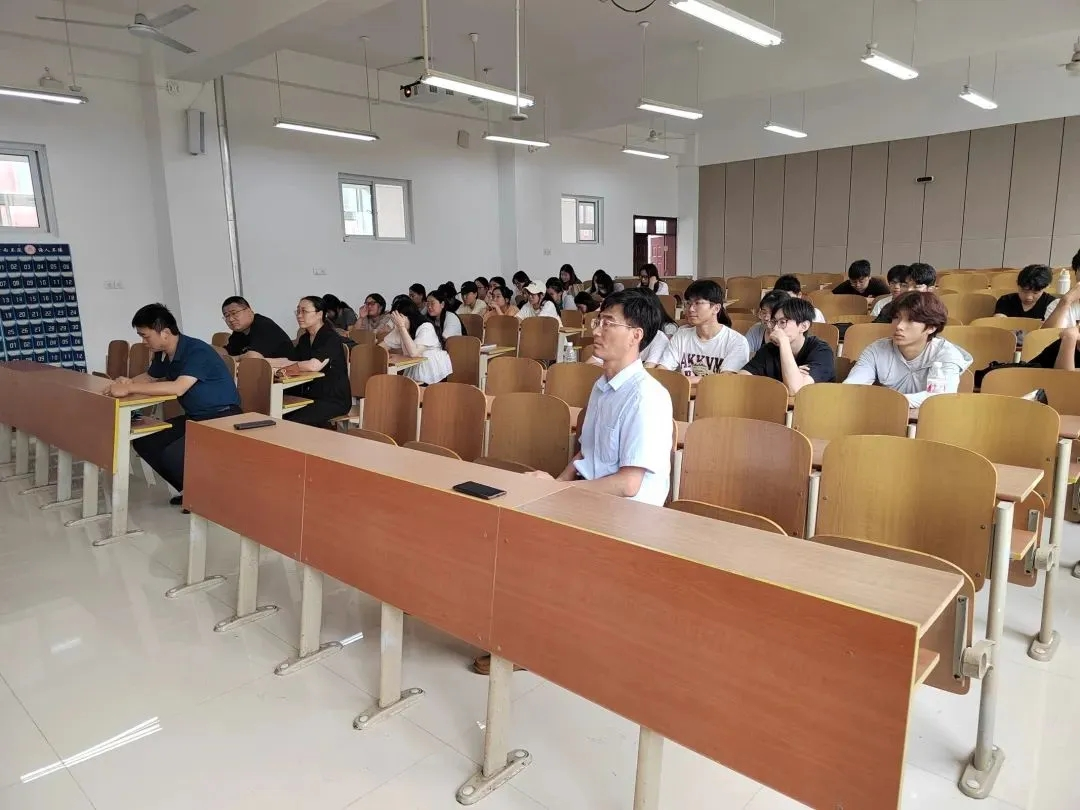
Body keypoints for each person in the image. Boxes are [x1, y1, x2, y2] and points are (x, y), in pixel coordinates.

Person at [107, 303, 241, 505]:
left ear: (165, 333)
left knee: (173, 455)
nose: (143, 342)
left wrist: (130, 388)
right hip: (196, 417)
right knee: (145, 441)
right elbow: (150, 377)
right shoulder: (163, 353)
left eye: (146, 336)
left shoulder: (197, 351)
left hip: (224, 416)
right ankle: (196, 491)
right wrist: (126, 383)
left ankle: (208, 494)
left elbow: (179, 387)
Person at [844, 291, 972, 407]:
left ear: (931, 327)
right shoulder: (876, 350)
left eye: (910, 320)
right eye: (896, 318)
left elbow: (939, 398)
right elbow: (851, 387)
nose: (899, 326)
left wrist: (885, 400)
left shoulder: (947, 354)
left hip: (930, 419)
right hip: (887, 416)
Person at [265, 296, 352, 427]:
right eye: (297, 311)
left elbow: (313, 365)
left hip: (332, 399)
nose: (299, 315)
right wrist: (265, 362)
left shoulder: (330, 337)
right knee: (277, 413)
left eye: (304, 311)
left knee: (293, 420)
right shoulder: (305, 339)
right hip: (310, 395)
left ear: (319, 314)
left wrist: (286, 365)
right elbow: (291, 360)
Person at [738, 298, 835, 394]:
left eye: (783, 322)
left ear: (804, 326)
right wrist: (791, 376)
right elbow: (740, 380)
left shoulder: (822, 351)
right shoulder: (769, 349)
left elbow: (795, 390)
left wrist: (784, 341)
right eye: (774, 322)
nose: (775, 328)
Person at [658, 279, 749, 377]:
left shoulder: (737, 342)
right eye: (688, 303)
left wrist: (685, 381)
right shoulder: (681, 335)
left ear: (716, 308)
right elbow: (662, 371)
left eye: (697, 303)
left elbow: (725, 380)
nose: (691, 309)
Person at [380, 297, 453, 385]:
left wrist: (402, 327)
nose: (396, 323)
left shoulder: (426, 327)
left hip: (431, 370)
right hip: (415, 366)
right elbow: (381, 347)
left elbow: (414, 353)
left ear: (408, 316)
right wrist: (383, 355)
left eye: (398, 319)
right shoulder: (400, 327)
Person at [220, 296, 293, 359]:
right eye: (227, 316)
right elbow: (229, 351)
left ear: (249, 311)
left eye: (234, 313)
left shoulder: (263, 325)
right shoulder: (239, 332)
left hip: (287, 369)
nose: (231, 319)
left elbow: (253, 357)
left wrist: (231, 359)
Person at [745, 289, 794, 354]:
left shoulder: (791, 335)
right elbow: (744, 355)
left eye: (772, 313)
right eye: (764, 312)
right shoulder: (756, 330)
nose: (766, 318)